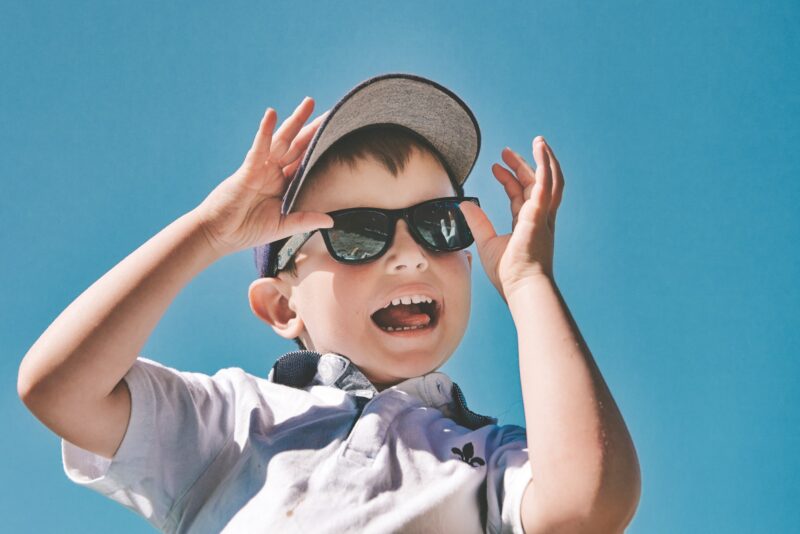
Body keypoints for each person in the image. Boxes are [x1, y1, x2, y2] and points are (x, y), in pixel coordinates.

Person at [17, 73, 641, 533]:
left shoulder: (488, 457)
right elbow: (59, 388)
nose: (408, 255)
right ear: (282, 308)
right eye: (357, 232)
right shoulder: (234, 421)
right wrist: (206, 234)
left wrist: (530, 281)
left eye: (437, 223)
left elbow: (587, 506)